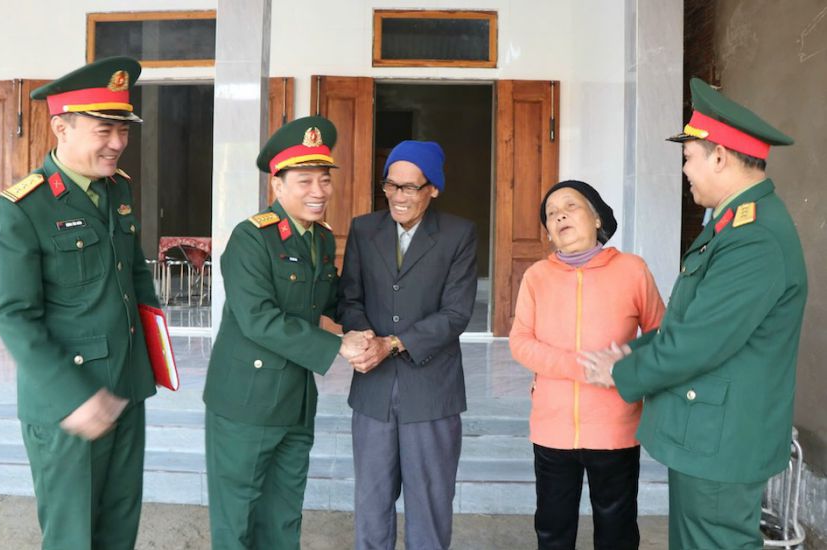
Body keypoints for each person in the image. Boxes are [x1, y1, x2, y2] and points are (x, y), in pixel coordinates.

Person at [579, 78, 807, 550]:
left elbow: (699, 340)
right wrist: (633, 349)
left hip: (720, 439)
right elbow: (693, 322)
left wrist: (625, 369)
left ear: (720, 156)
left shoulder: (754, 237)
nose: (685, 170)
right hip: (708, 433)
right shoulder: (734, 224)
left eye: (689, 158)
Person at [0, 56, 160, 549]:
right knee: (73, 538)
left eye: (123, 130)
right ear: (61, 126)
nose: (118, 143)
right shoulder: (23, 208)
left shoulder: (117, 190)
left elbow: (135, 275)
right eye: (105, 130)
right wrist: (73, 396)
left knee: (118, 529)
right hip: (69, 403)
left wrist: (154, 362)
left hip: (126, 389)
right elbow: (14, 316)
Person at [202, 115, 371, 550]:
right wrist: (339, 344)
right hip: (246, 402)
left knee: (283, 515)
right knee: (237, 519)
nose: (318, 191)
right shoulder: (251, 239)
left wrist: (378, 329)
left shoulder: (318, 239)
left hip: (295, 400)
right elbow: (258, 318)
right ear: (277, 185)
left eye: (324, 180)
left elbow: (329, 300)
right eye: (304, 181)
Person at [337, 140, 478, 550]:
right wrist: (365, 340)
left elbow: (456, 314)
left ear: (433, 188)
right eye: (391, 186)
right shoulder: (365, 230)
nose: (399, 197)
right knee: (371, 502)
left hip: (432, 390)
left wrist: (393, 343)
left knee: (430, 504)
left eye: (410, 188)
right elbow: (351, 298)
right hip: (373, 391)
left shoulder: (458, 234)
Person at [508, 180, 664, 549]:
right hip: (552, 428)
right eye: (551, 213)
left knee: (617, 530)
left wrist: (625, 367)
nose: (559, 214)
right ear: (548, 233)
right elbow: (520, 342)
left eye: (570, 206)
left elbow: (661, 335)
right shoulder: (536, 278)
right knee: (552, 529)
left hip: (616, 425)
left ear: (596, 218)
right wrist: (584, 366)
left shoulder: (632, 270)